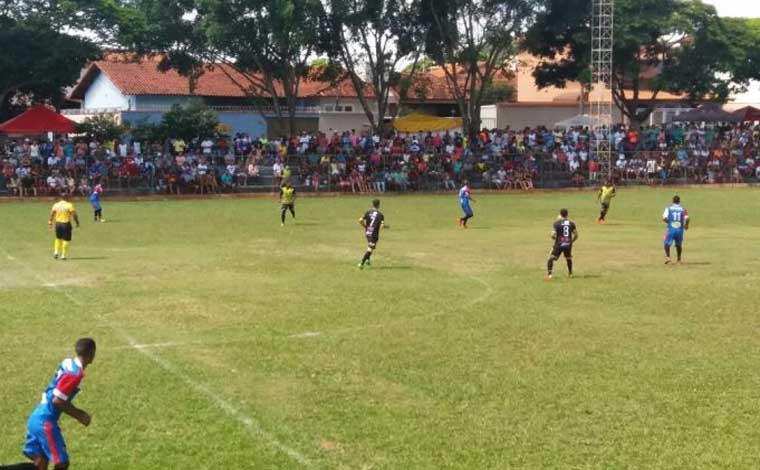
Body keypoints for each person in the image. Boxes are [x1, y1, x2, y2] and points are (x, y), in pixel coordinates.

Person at [22, 338, 96, 470]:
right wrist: (80, 415)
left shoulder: (68, 362)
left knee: (41, 463)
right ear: (92, 354)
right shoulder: (75, 374)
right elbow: (58, 400)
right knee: (61, 463)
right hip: (45, 421)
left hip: (36, 416)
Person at [546, 208, 578, 280]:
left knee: (551, 258)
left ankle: (549, 275)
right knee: (568, 258)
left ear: (560, 214)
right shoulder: (571, 223)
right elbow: (576, 235)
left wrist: (556, 239)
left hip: (559, 244)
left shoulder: (556, 223)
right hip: (568, 243)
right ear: (567, 215)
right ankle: (570, 274)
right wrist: (571, 241)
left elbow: (552, 235)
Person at [48, 192, 80, 261]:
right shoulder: (69, 205)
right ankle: (63, 255)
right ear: (67, 198)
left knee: (58, 238)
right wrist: (77, 222)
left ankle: (56, 252)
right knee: (66, 240)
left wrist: (50, 222)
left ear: (61, 198)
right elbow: (74, 215)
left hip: (58, 224)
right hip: (66, 224)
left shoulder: (56, 205)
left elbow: (52, 214)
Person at [358, 199, 388, 269]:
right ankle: (361, 263)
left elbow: (360, 220)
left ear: (373, 204)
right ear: (379, 205)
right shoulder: (380, 215)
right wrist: (386, 227)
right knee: (370, 249)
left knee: (371, 246)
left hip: (367, 232)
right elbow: (382, 226)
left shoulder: (368, 212)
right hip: (374, 234)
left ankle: (368, 260)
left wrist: (365, 226)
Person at [662, 195, 689, 264]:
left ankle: (668, 258)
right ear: (679, 201)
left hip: (671, 229)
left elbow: (664, 218)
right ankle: (679, 260)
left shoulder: (668, 208)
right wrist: (686, 225)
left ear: (672, 201)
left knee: (666, 242)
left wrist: (670, 222)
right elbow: (687, 218)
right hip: (679, 230)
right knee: (679, 245)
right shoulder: (683, 209)